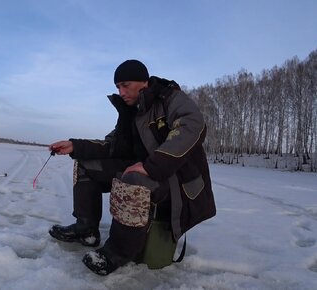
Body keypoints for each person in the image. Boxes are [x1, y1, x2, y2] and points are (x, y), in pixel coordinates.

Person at [48, 59, 216, 275]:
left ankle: (117, 253)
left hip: (176, 182)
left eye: (125, 85)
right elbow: (112, 145)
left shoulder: (170, 98)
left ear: (144, 82)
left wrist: (151, 166)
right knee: (85, 165)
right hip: (149, 173)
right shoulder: (130, 112)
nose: (121, 91)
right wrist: (75, 146)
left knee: (134, 179)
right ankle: (86, 230)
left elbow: (192, 126)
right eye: (118, 86)